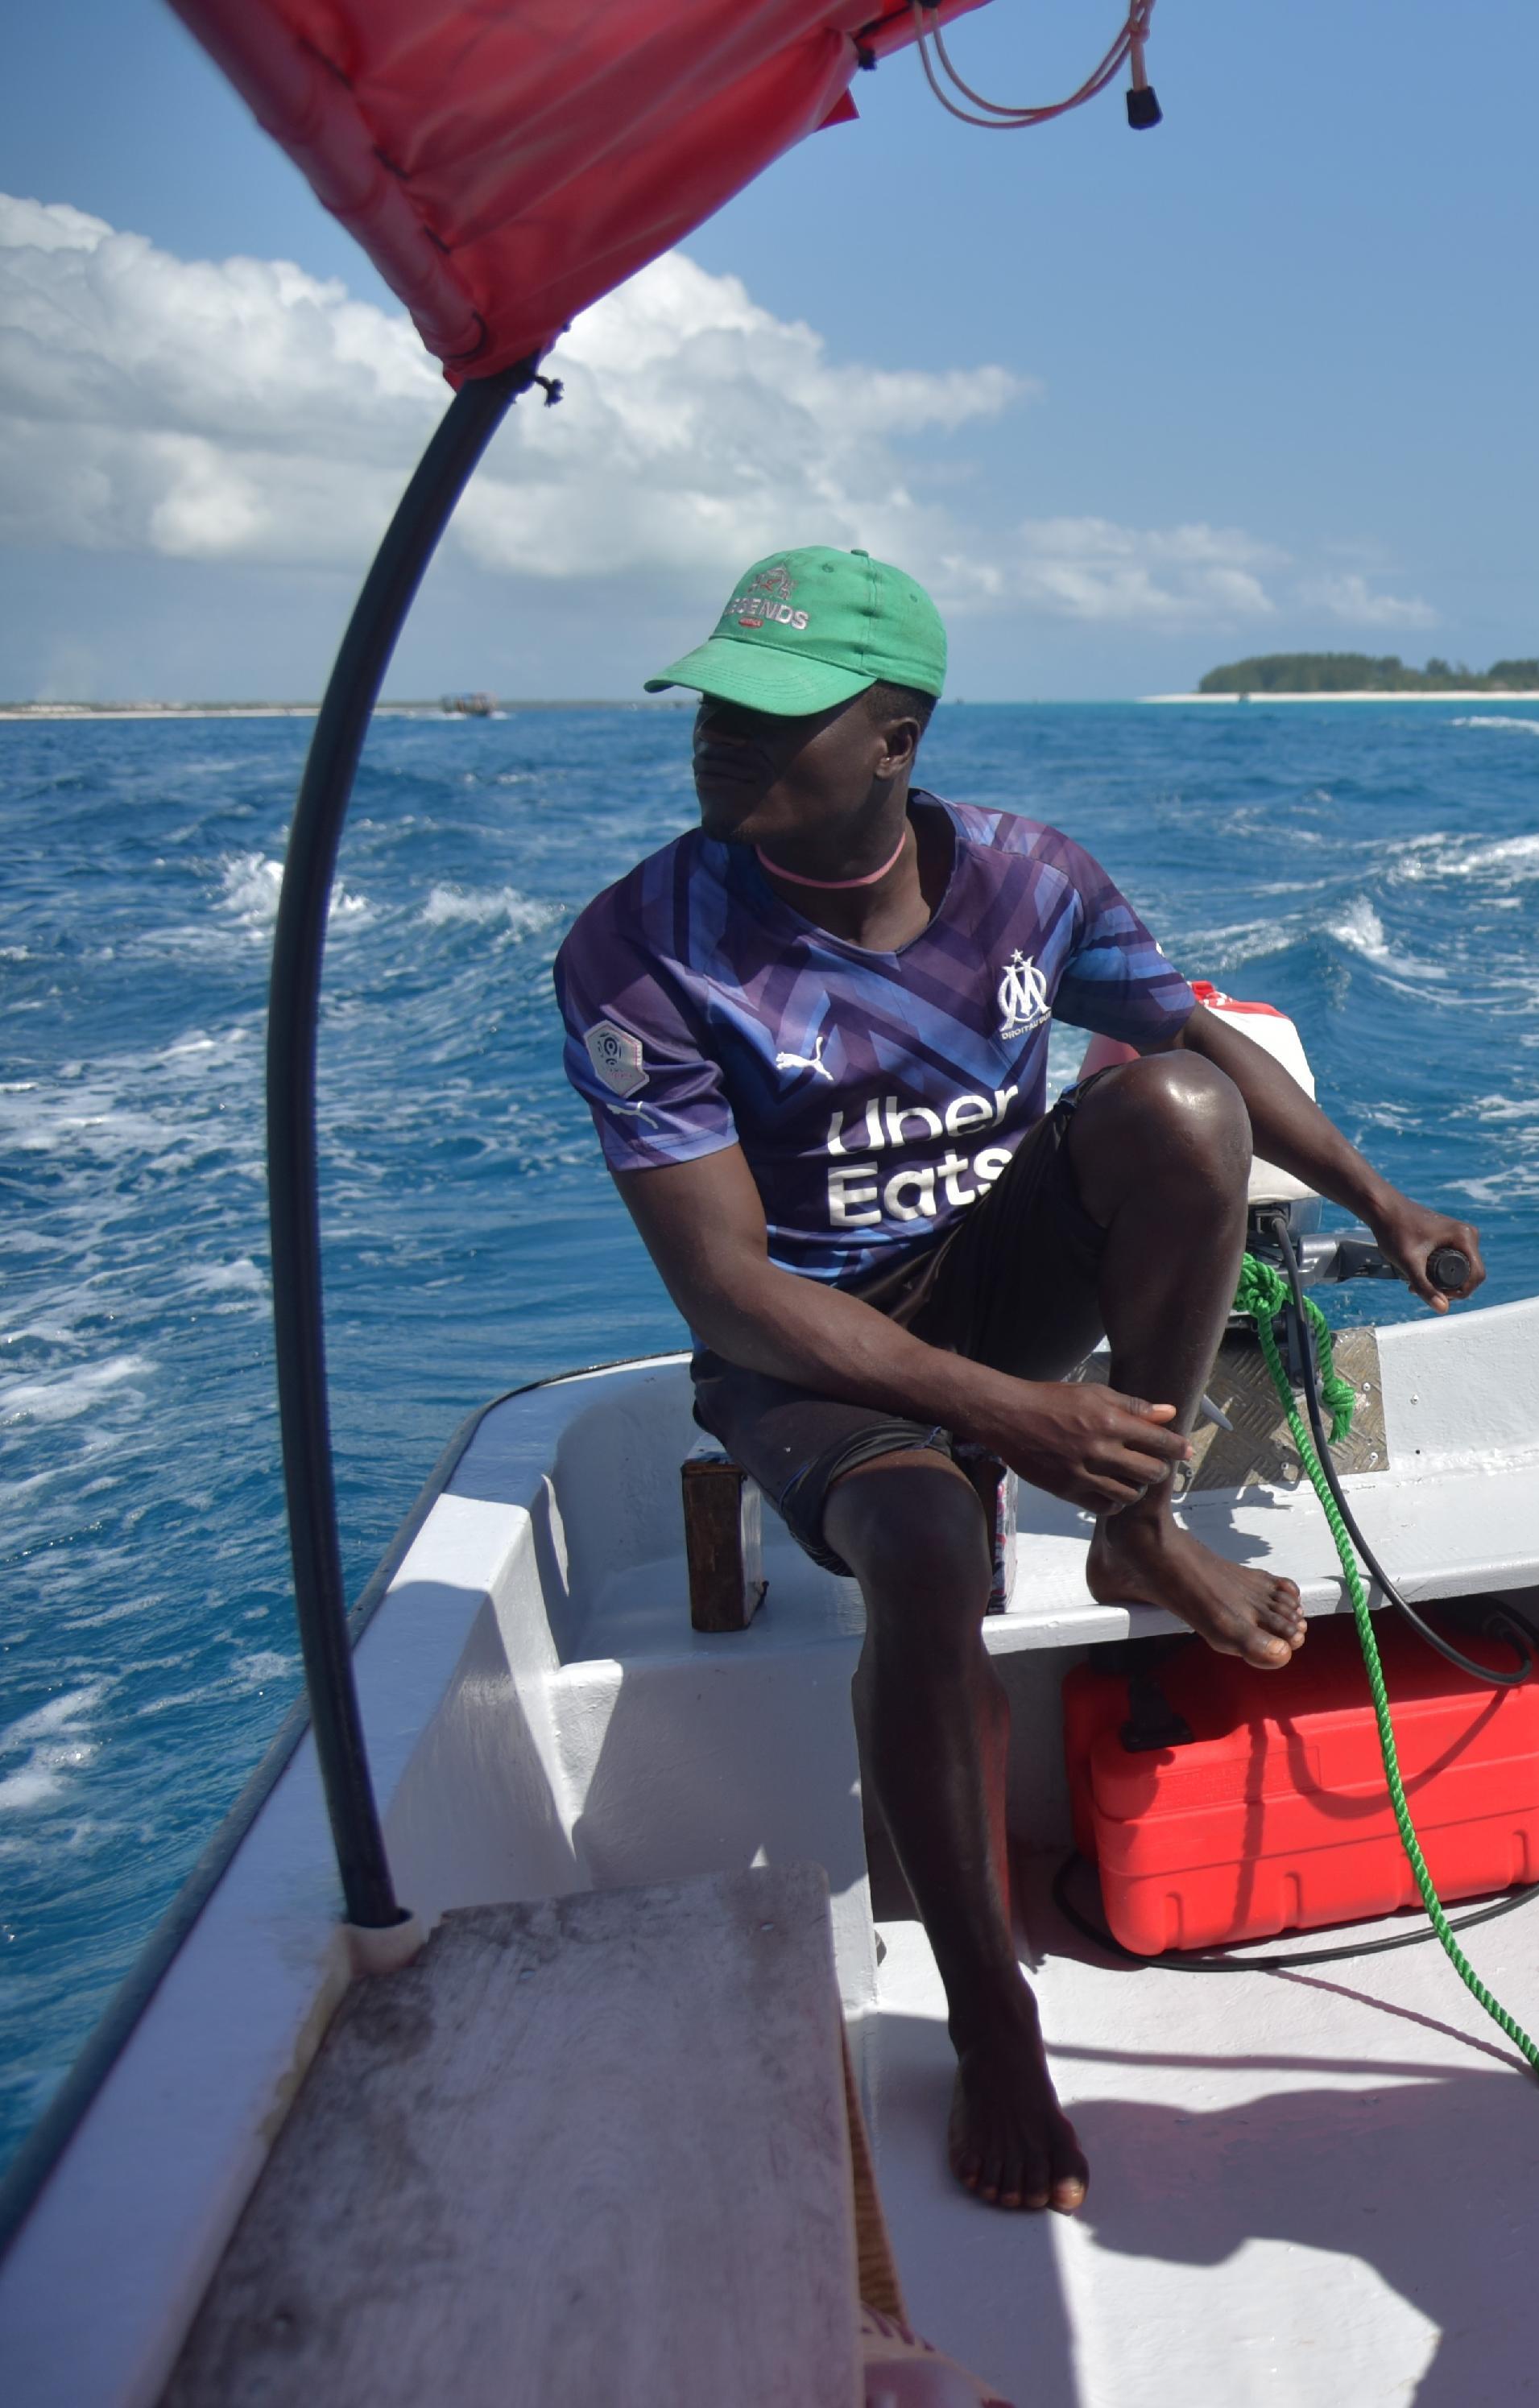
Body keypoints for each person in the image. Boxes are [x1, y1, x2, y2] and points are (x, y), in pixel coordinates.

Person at [553, 547, 1483, 2216]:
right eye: (710, 704)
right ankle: (996, 2021)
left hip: (982, 1286)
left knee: (1179, 1113)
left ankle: (1142, 1532)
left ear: (895, 738)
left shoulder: (1028, 882)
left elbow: (1203, 1047)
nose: (716, 740)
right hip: (803, 1346)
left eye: (771, 715)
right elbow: (722, 1285)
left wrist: (1377, 1200)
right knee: (918, 1551)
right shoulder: (641, 948)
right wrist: (1017, 1423)